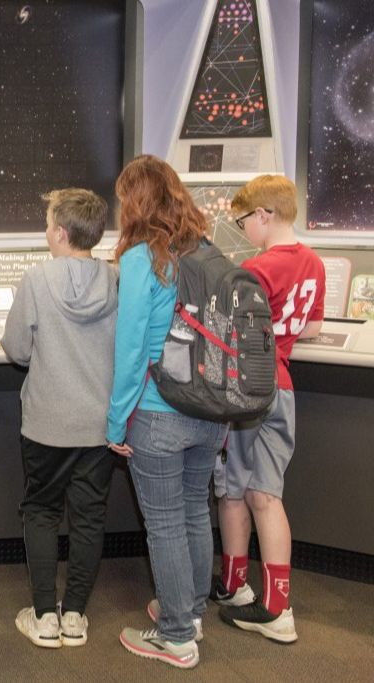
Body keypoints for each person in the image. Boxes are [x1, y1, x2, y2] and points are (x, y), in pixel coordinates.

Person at [106, 155, 227, 670]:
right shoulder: (209, 252)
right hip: (213, 408)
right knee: (195, 510)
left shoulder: (141, 259)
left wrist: (115, 422)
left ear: (133, 203)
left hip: (158, 412)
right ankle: (191, 610)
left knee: (165, 525)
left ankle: (176, 634)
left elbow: (132, 347)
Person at [1, 189, 118, 649]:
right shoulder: (116, 280)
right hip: (99, 424)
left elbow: (16, 349)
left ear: (62, 233)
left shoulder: (35, 279)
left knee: (43, 511)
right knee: (89, 517)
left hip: (47, 423)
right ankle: (75, 616)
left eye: (48, 223)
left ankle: (44, 616)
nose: (45, 231)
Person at [213, 175, 325, 643]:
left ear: (264, 215)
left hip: (248, 390)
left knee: (233, 490)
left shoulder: (259, 268)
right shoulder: (314, 263)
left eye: (244, 221)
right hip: (284, 388)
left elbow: (226, 329)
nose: (243, 230)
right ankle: (277, 601)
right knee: (268, 494)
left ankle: (235, 585)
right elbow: (313, 329)